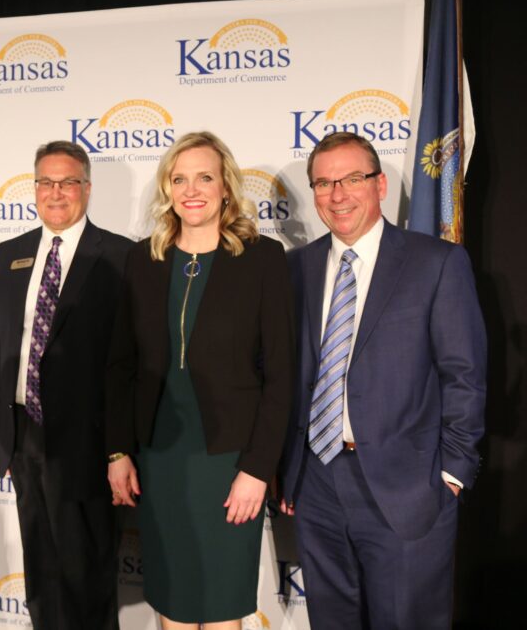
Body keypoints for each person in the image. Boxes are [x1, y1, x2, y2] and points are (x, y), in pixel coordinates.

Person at [278, 132, 486, 629]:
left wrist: (451, 474)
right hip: (316, 483)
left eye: (352, 179)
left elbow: (465, 375)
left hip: (408, 487)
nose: (338, 194)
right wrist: (288, 469)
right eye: (324, 183)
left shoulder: (435, 263)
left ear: (380, 186)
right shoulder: (294, 269)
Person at [106, 132, 294, 630]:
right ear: (168, 187)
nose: (192, 189)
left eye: (204, 177)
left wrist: (257, 468)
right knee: (174, 598)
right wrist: (118, 451)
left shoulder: (261, 258)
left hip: (231, 461)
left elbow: (281, 377)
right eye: (179, 177)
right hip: (161, 458)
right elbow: (120, 367)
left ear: (225, 187)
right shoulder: (143, 259)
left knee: (220, 601)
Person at [0, 140, 131, 630]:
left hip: (89, 440)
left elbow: (128, 361)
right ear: (35, 188)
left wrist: (119, 447)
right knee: (41, 562)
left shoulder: (122, 256)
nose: (56, 192)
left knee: (88, 567)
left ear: (87, 188)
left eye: (68, 182)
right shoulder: (7, 255)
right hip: (24, 432)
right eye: (46, 182)